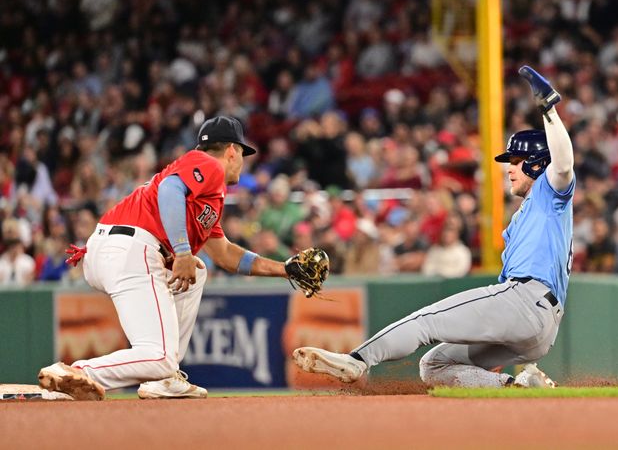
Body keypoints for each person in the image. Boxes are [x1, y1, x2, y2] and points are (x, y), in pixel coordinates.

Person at [293, 65, 574, 388]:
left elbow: (563, 164)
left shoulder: (548, 192)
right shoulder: (525, 216)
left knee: (425, 320)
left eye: (515, 162)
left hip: (527, 299)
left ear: (538, 163)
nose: (509, 169)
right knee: (434, 364)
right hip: (538, 324)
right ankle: (520, 388)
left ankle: (356, 361)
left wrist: (548, 109)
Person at [37, 116, 323, 400]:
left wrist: (284, 269)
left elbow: (225, 254)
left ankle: (166, 380)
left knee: (196, 272)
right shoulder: (208, 164)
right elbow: (170, 190)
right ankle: (77, 373)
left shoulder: (207, 197)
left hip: (113, 249)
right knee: (159, 356)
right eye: (242, 155)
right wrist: (183, 251)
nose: (242, 162)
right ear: (232, 151)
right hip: (132, 248)